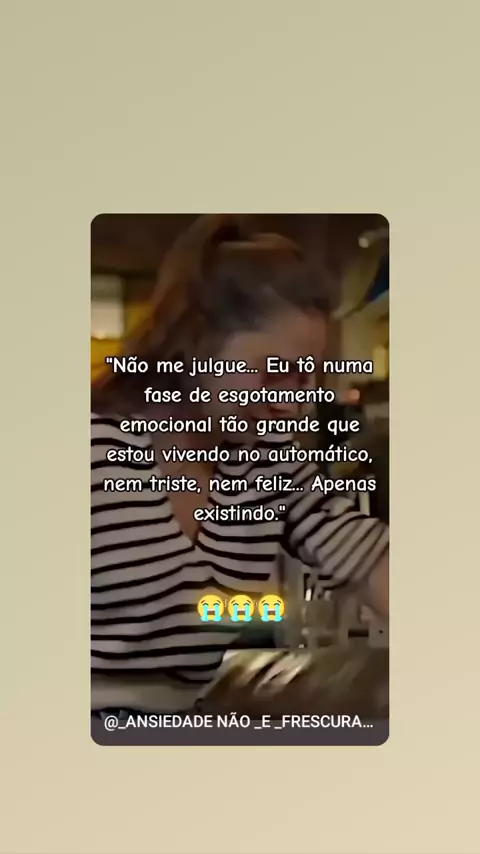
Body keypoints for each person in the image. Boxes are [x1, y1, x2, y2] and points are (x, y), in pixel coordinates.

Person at [91, 214, 389, 718]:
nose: (292, 405)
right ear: (199, 344)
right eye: (274, 374)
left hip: (172, 729)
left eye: (306, 379)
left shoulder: (266, 460)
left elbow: (364, 555)